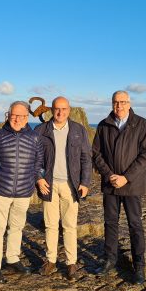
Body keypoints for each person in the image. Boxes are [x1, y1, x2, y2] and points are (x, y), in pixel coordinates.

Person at [92, 90, 146, 284]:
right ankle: (110, 259)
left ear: (129, 103)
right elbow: (96, 153)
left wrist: (126, 177)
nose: (119, 106)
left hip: (131, 185)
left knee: (135, 225)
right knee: (110, 223)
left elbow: (145, 155)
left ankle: (139, 265)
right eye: (116, 102)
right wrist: (109, 175)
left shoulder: (141, 124)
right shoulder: (104, 125)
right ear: (111, 103)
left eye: (123, 102)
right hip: (110, 184)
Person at [35, 96, 92, 280]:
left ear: (69, 110)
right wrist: (38, 177)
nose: (60, 113)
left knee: (69, 226)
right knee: (50, 225)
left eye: (64, 109)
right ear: (51, 109)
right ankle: (50, 260)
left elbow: (86, 158)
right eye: (57, 109)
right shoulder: (41, 129)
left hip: (71, 184)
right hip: (49, 184)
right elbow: (34, 158)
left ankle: (71, 263)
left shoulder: (78, 130)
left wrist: (85, 182)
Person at [0, 101, 43, 283]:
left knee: (17, 227)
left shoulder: (35, 138)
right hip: (0, 189)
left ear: (27, 117)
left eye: (21, 116)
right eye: (14, 115)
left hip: (24, 191)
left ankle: (12, 258)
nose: (17, 119)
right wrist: (0, 177)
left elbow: (37, 164)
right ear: (8, 115)